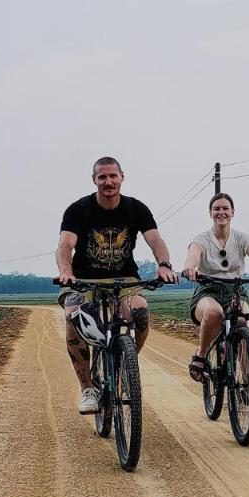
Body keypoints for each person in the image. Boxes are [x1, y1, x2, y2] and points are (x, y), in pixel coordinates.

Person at [57, 157, 177, 414]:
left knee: (140, 312)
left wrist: (164, 264)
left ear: (122, 177)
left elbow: (155, 239)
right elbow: (65, 244)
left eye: (113, 176)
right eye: (102, 177)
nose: (108, 182)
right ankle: (88, 387)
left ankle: (126, 363)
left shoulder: (136, 209)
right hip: (84, 279)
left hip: (125, 280)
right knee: (73, 316)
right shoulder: (78, 210)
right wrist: (66, 272)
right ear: (94, 180)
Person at [180, 192, 249, 382]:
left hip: (236, 290)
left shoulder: (242, 238)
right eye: (216, 209)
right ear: (210, 213)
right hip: (208, 291)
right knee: (214, 313)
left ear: (233, 212)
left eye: (225, 209)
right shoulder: (201, 239)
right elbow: (193, 256)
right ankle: (201, 356)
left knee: (244, 322)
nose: (221, 212)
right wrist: (189, 268)